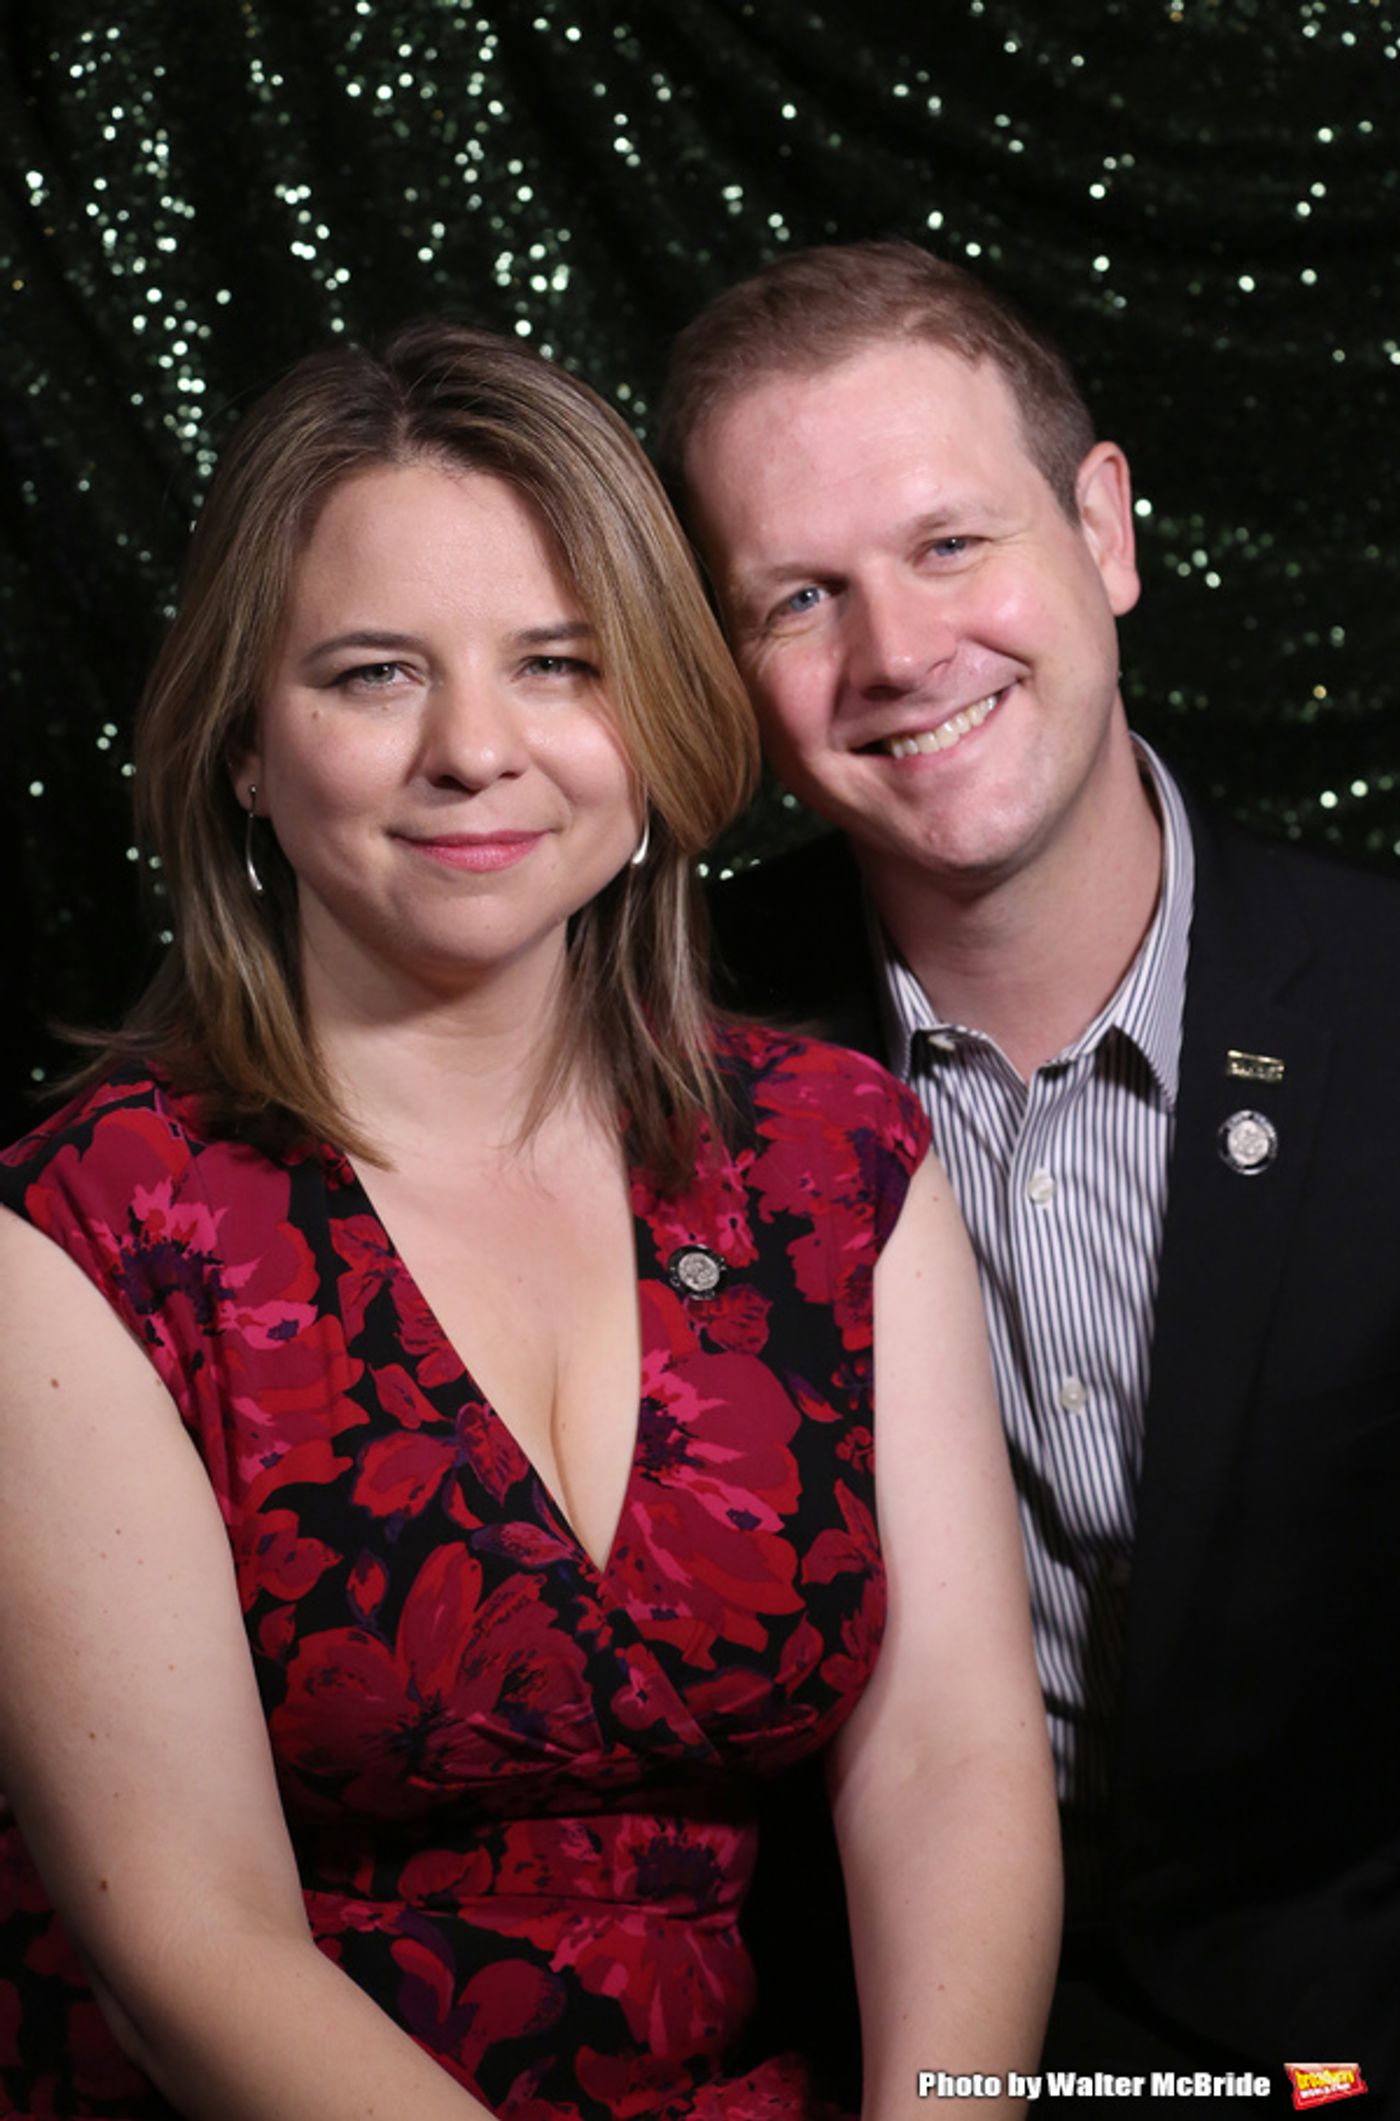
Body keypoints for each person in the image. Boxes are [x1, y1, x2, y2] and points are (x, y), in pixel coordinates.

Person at [0, 321, 1058, 2121]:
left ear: (651, 720)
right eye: (373, 672)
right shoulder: (87, 1234)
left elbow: (951, 1761)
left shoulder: (835, 1157)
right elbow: (192, 1942)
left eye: (557, 664)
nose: (473, 750)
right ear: (246, 748)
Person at [658, 239, 1400, 2100]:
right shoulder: (655, 1051)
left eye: (951, 543)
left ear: (1106, 531)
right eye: (798, 596)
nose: (901, 652)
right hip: (846, 2051)